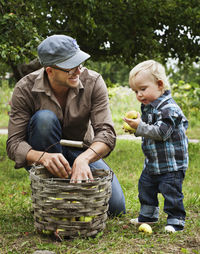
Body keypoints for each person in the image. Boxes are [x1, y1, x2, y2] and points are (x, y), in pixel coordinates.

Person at [6, 34, 126, 216]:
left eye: (79, 64)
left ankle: (68, 194)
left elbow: (106, 133)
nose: (78, 71)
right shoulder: (25, 88)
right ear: (50, 71)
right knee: (44, 119)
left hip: (82, 150)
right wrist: (44, 157)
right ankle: (55, 195)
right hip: (45, 153)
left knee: (116, 209)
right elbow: (14, 144)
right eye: (70, 67)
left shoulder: (94, 82)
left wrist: (84, 159)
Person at [123, 60, 188, 233]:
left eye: (142, 89)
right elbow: (148, 129)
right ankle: (148, 216)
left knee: (171, 193)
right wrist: (136, 127)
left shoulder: (169, 108)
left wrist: (140, 127)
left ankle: (176, 221)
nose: (139, 95)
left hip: (171, 165)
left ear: (159, 85)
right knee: (145, 188)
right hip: (153, 163)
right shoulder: (148, 108)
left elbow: (162, 133)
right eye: (135, 91)